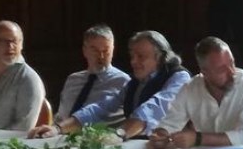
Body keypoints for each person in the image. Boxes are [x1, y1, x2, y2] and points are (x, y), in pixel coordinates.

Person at [35, 30, 191, 140]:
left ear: (161, 58)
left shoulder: (179, 77)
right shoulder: (135, 82)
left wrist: (118, 135)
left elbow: (153, 107)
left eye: (141, 56)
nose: (133, 62)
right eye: (132, 56)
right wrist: (58, 128)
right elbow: (101, 107)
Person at [147, 37, 243, 149]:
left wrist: (198, 139)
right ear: (204, 72)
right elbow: (169, 124)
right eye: (222, 69)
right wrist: (161, 136)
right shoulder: (190, 88)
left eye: (232, 63)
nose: (231, 72)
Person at [29, 25, 129, 137]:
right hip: (59, 137)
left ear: (113, 49)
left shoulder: (123, 82)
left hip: (95, 141)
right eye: (95, 50)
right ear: (85, 51)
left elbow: (95, 112)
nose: (101, 56)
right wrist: (50, 130)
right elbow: (61, 115)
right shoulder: (73, 80)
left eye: (106, 51)